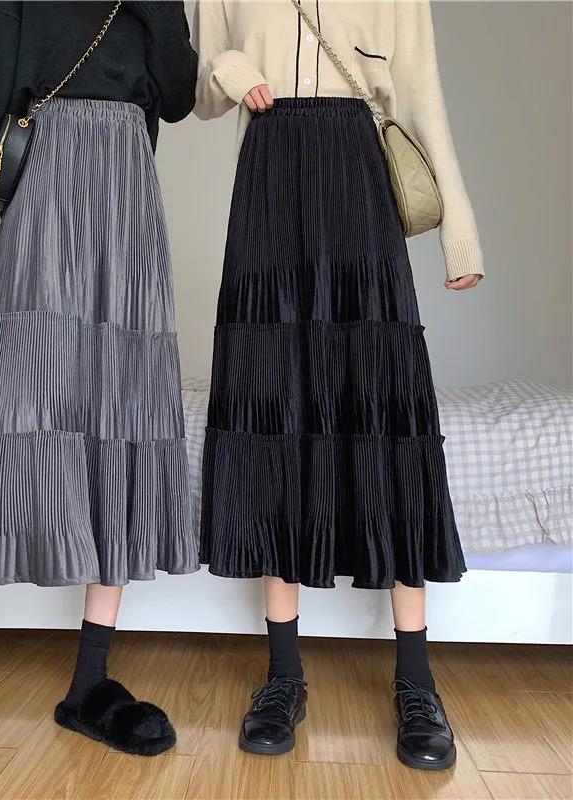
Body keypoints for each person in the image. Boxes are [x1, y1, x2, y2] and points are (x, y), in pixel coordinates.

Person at [0, 2, 198, 793]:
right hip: (48, 190)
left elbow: (179, 97)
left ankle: (90, 681)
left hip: (130, 198)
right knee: (13, 411)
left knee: (120, 414)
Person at [194, 0, 482, 770]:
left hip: (359, 177)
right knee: (275, 410)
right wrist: (232, 68)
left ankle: (416, 681)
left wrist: (458, 228)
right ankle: (284, 675)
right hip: (269, 175)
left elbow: (421, 96)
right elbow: (202, 91)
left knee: (384, 412)